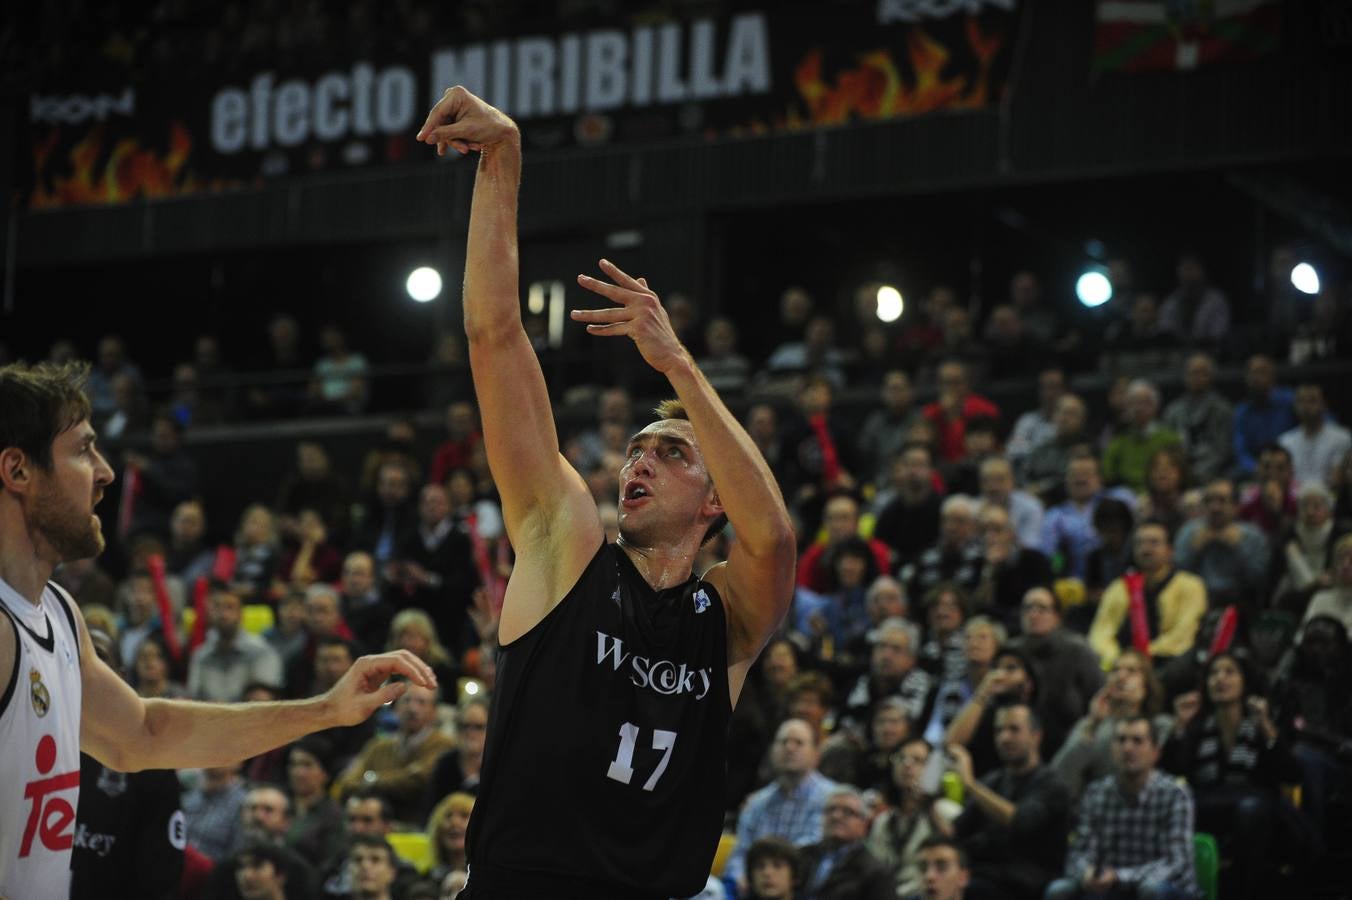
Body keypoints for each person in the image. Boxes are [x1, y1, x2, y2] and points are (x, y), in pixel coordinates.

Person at [416, 87, 795, 899]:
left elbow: (776, 541)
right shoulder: (568, 546)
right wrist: (503, 160)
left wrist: (680, 369)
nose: (638, 465)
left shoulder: (725, 617)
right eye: (634, 453)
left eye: (669, 454)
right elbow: (493, 335)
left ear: (716, 497)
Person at [0, 360, 437, 899]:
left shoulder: (59, 613)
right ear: (18, 470)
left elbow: (144, 734)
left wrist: (325, 709)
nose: (106, 471)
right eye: (83, 450)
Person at [1162, 652, 1306, 900]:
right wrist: (1180, 729)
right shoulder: (1198, 724)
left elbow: (1292, 774)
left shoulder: (1261, 723)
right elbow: (1170, 771)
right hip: (1208, 804)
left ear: (1245, 682)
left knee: (1251, 809)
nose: (1220, 679)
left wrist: (1267, 728)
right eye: (1214, 673)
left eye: (1230, 672)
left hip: (1257, 806)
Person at [1045, 716, 1200, 900]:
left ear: (1155, 753)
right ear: (1112, 750)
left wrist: (1120, 877)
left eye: (1137, 741)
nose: (1127, 748)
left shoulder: (1176, 794)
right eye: (1121, 740)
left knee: (1151, 890)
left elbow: (1177, 864)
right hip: (1112, 889)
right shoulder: (1096, 793)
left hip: (1165, 889)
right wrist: (1087, 873)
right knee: (1058, 890)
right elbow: (1079, 852)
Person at [944, 703, 1070, 900]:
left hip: (1028, 883)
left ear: (1036, 736)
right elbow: (953, 832)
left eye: (1014, 729)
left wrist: (969, 784)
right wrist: (927, 802)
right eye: (999, 730)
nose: (1004, 737)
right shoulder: (993, 781)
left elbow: (1020, 820)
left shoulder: (1052, 784)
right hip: (986, 875)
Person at [724, 718, 839, 895]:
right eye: (783, 742)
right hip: (755, 888)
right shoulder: (757, 803)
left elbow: (815, 852)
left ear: (816, 754)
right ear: (772, 752)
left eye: (798, 743)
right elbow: (739, 853)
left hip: (807, 888)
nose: (790, 748)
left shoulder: (833, 799)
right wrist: (740, 877)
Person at [1050, 649, 1172, 801]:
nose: (1120, 676)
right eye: (1115, 670)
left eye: (1131, 671)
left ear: (1147, 684)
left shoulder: (1162, 725)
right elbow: (1060, 779)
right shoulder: (1090, 725)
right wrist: (1092, 725)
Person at [333, 682, 455, 826]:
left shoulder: (443, 745)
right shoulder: (379, 746)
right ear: (396, 708)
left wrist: (372, 779)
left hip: (416, 827)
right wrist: (391, 779)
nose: (412, 708)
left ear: (434, 712)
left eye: (421, 702)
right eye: (406, 700)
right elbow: (348, 782)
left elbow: (416, 781)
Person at [1088, 522, 1206, 668]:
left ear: (1170, 550)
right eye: (1140, 543)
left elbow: (1183, 636)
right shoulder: (1119, 587)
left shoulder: (1190, 585)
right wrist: (1117, 658)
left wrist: (1141, 657)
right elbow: (1101, 633)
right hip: (1121, 663)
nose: (1146, 549)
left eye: (1154, 543)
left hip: (1168, 661)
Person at [868, 738, 964, 898]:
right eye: (901, 758)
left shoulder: (947, 811)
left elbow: (961, 853)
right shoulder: (883, 820)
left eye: (917, 760)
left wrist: (930, 807)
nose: (907, 764)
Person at [797, 786, 894, 899]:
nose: (836, 816)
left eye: (848, 812)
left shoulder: (876, 872)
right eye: (830, 810)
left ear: (864, 824)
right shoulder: (801, 856)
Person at [1161, 353, 1233, 484]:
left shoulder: (1222, 409)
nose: (1197, 377)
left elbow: (1223, 451)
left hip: (1212, 473)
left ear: (1211, 377)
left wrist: (1198, 472)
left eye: (1202, 373)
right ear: (1185, 376)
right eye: (1192, 373)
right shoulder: (1173, 411)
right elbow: (1168, 448)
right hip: (1178, 473)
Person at [1280, 383, 1352, 486]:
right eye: (1301, 401)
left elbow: (1338, 479)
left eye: (1312, 401)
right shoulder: (1285, 441)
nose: (1306, 406)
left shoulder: (1343, 438)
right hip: (1294, 498)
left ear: (1324, 405)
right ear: (1295, 406)